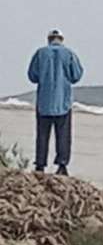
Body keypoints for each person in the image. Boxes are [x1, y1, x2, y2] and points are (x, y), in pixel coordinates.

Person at [27, 29, 84, 175]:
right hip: (62, 102)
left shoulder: (40, 53)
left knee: (42, 135)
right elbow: (76, 75)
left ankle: (40, 165)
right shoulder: (69, 54)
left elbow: (32, 76)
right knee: (63, 135)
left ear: (49, 39)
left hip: (44, 102)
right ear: (61, 39)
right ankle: (62, 165)